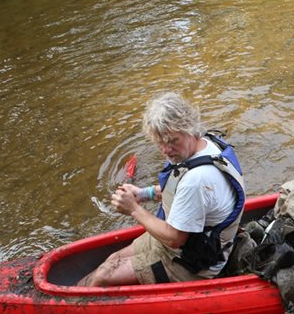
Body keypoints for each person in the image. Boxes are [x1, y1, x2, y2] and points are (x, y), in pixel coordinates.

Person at [78, 92, 245, 287]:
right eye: (160, 142)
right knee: (112, 259)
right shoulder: (208, 144)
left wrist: (133, 209)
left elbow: (175, 239)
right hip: (185, 243)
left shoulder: (197, 180)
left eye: (172, 141)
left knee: (103, 276)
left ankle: (67, 308)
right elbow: (178, 191)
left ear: (190, 129)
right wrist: (143, 194)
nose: (165, 150)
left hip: (190, 263)